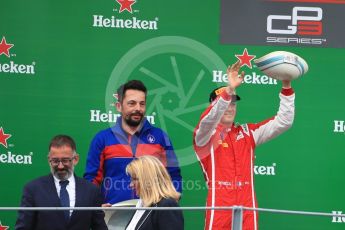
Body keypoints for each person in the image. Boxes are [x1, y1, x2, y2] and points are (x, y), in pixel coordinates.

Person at [193, 60, 295, 230]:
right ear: (214, 105)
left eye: (233, 103)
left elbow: (284, 121)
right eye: (226, 102)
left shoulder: (248, 133)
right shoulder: (205, 136)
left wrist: (286, 86)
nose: (230, 107)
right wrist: (229, 90)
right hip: (219, 209)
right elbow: (209, 119)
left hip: (247, 209)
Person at [84, 80, 182, 204]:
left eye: (142, 104)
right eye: (132, 103)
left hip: (151, 213)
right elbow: (91, 179)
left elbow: (173, 175)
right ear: (119, 106)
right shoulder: (102, 138)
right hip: (114, 213)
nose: (138, 108)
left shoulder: (161, 137)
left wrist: (173, 200)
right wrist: (97, 206)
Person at [15, 135, 108, 230]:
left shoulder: (91, 190)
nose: (60, 166)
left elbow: (100, 227)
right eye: (55, 161)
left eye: (65, 160)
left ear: (75, 159)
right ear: (49, 160)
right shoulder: (33, 189)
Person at [125, 155, 184, 230]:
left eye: (134, 179)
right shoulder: (141, 205)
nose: (131, 185)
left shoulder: (167, 205)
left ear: (148, 180)